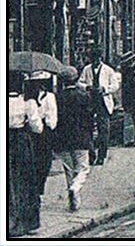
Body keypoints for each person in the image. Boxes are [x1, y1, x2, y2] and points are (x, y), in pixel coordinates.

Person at [51, 66, 94, 212]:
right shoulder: (84, 96)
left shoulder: (56, 97)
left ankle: (74, 202)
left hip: (62, 139)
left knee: (69, 169)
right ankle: (75, 188)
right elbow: (89, 119)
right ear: (75, 79)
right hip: (80, 137)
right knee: (83, 168)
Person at [9, 72, 44, 236]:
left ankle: (10, 221)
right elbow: (37, 127)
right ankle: (26, 222)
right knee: (25, 179)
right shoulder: (27, 102)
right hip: (21, 141)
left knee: (9, 181)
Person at [78, 45, 120, 166]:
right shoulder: (86, 69)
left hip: (103, 102)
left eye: (97, 59)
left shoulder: (108, 70)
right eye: (93, 59)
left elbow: (115, 85)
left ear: (101, 58)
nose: (95, 61)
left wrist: (104, 89)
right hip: (90, 101)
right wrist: (87, 87)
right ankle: (91, 154)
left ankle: (102, 155)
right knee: (88, 128)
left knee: (104, 129)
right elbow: (79, 82)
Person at [26, 72, 58, 197]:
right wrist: (49, 126)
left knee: (33, 159)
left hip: (31, 131)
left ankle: (34, 186)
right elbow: (52, 117)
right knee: (44, 160)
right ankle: (40, 187)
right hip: (45, 131)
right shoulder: (49, 96)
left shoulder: (27, 97)